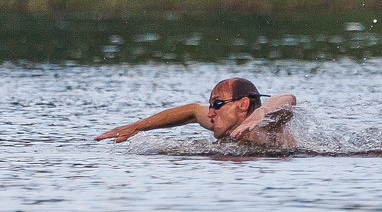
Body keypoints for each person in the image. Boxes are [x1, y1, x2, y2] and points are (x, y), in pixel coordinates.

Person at [95, 78, 297, 147]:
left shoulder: (268, 125)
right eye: (210, 106)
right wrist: (135, 127)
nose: (210, 113)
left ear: (243, 104)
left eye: (217, 104)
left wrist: (262, 112)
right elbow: (192, 110)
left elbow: (287, 98)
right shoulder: (222, 123)